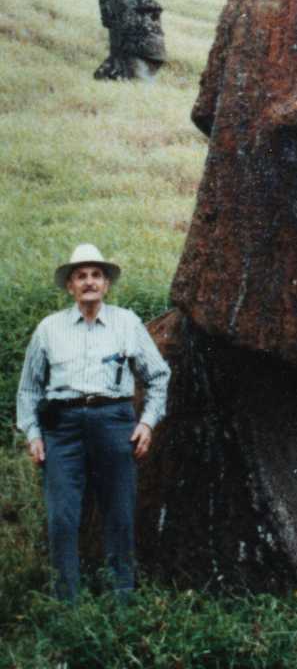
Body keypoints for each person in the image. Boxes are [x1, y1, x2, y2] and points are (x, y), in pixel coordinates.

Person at [16, 244, 171, 601]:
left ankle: (122, 599)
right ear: (70, 285)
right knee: (62, 517)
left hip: (114, 422)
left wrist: (147, 423)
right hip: (62, 427)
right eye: (81, 276)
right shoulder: (49, 329)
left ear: (106, 284)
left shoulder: (127, 323)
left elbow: (159, 376)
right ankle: (66, 602)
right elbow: (28, 390)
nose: (89, 282)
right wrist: (33, 433)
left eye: (96, 275)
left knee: (119, 512)